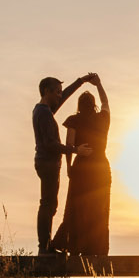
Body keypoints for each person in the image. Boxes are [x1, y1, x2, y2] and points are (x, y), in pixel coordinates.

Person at [52, 75, 111, 256]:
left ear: (79, 105)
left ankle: (72, 245)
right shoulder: (103, 118)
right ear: (93, 104)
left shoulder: (74, 120)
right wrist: (99, 84)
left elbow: (69, 146)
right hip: (100, 167)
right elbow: (106, 103)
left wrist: (69, 167)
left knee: (75, 206)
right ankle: (96, 248)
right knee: (99, 207)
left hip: (81, 168)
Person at [33, 74, 91, 254]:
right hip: (47, 163)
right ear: (46, 91)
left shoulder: (45, 110)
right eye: (56, 92)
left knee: (51, 204)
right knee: (47, 204)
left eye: (59, 91)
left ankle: (46, 245)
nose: (59, 95)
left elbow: (64, 96)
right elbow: (50, 144)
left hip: (48, 163)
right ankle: (44, 248)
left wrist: (80, 81)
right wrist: (75, 150)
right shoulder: (43, 113)